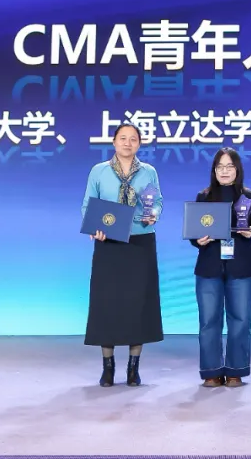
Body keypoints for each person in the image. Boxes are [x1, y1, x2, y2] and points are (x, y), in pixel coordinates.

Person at [81, 122, 164, 387]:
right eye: (123, 138)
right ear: (114, 142)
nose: (128, 143)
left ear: (139, 144)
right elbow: (88, 205)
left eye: (133, 139)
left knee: (138, 305)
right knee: (107, 303)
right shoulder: (99, 171)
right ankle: (108, 367)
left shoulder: (148, 172)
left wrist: (154, 214)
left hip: (140, 242)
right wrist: (94, 227)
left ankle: (133, 367)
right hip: (109, 243)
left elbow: (157, 201)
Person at [190, 148, 251, 387]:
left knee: (241, 319)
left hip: (241, 266)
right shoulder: (204, 197)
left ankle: (236, 370)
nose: (224, 171)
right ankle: (211, 371)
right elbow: (194, 232)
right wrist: (198, 240)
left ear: (237, 170)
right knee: (208, 321)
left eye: (229, 166)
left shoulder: (250, 197)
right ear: (214, 171)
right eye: (220, 167)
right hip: (209, 267)